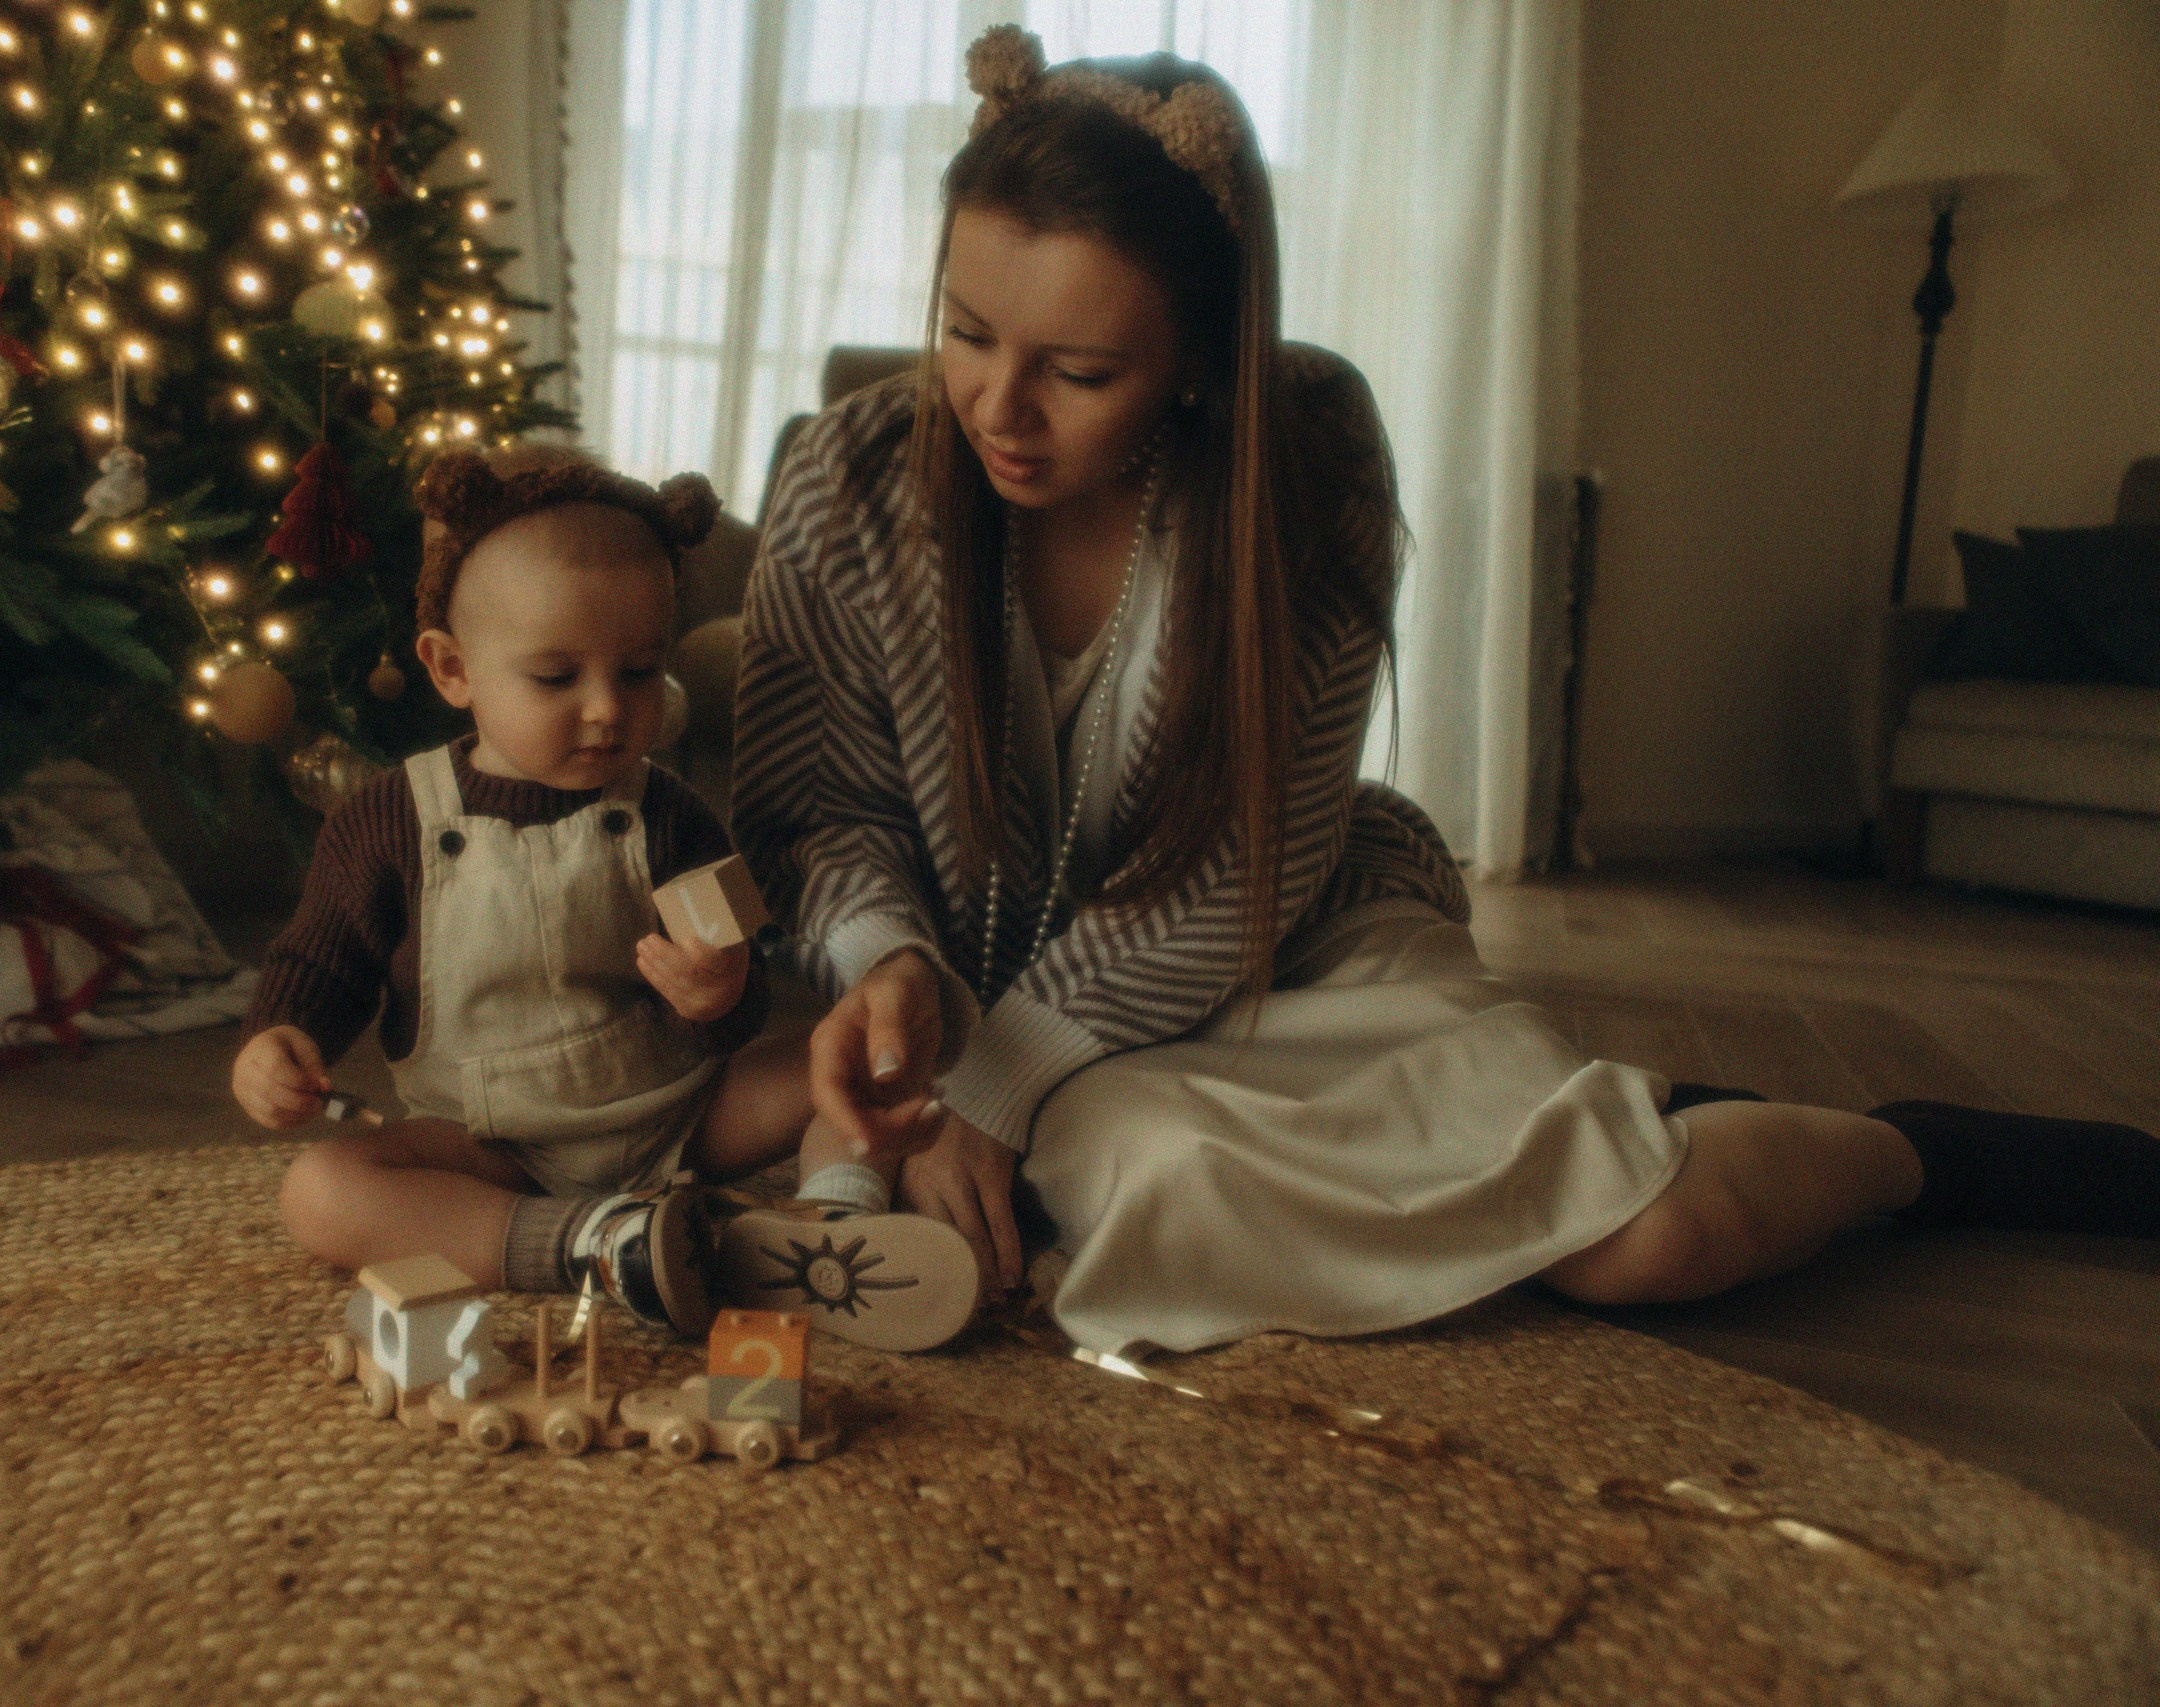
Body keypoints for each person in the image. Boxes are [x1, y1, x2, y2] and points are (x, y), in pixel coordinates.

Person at [734, 27, 2160, 1357]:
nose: (996, 405)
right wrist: (893, 973)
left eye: (1081, 368)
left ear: (1197, 362)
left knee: (1660, 1238)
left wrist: (986, 1088)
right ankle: (1605, 1129)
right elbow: (817, 809)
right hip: (993, 1008)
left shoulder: (1308, 457)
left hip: (1269, 956)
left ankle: (1925, 1150)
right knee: (1127, 1183)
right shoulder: (847, 478)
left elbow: (1247, 869)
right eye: (967, 329)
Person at [239, 445, 977, 1351]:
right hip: (495, 1149)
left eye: (637, 671)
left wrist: (720, 993)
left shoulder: (670, 815)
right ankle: (591, 1244)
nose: (606, 709)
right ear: (451, 669)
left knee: (849, 1055)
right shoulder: (386, 821)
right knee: (319, 1189)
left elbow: (739, 989)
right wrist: (284, 1036)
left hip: (678, 1113)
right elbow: (322, 959)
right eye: (556, 678)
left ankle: (827, 1227)